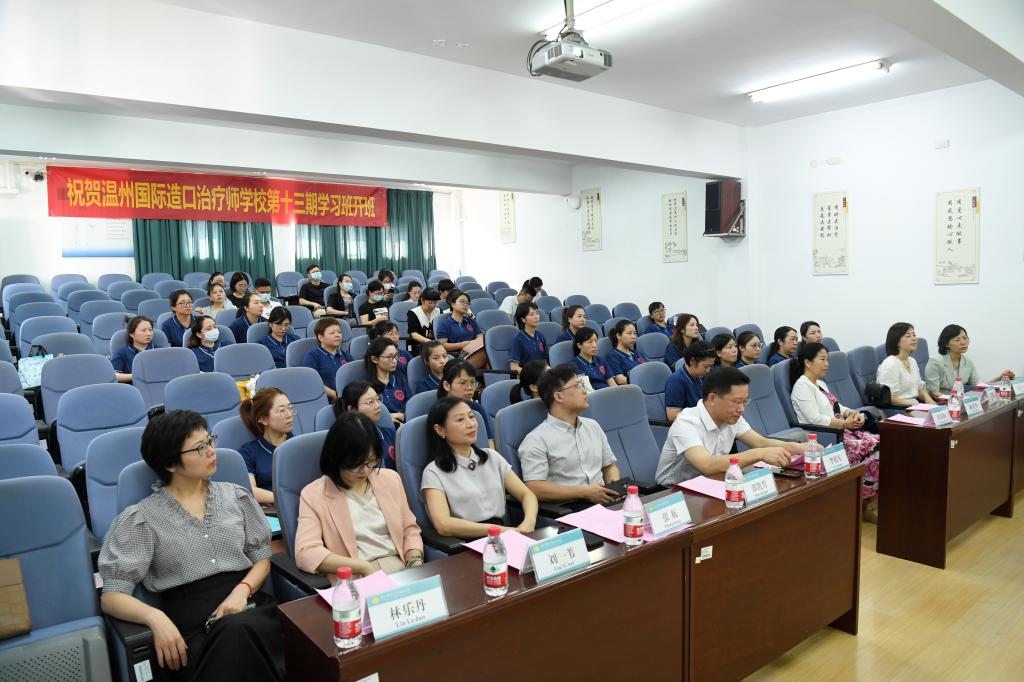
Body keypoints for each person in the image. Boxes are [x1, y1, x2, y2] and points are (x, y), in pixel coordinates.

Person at [98, 411, 283, 682]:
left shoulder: (235, 496)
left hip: (249, 605)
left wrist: (242, 591)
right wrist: (155, 618)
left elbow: (262, 560)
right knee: (234, 637)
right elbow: (112, 597)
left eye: (210, 441)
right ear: (171, 463)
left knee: (239, 629)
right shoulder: (142, 518)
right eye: (199, 448)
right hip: (189, 626)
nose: (211, 451)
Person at [295, 411, 423, 578]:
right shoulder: (314, 494)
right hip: (356, 576)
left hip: (401, 570)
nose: (365, 470)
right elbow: (306, 552)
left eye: (371, 461)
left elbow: (409, 530)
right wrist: (363, 567)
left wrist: (414, 562)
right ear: (336, 458)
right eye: (356, 465)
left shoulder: (390, 479)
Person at [655, 367, 805, 486]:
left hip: (714, 481)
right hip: (673, 490)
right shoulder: (686, 422)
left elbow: (760, 442)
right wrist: (760, 454)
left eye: (745, 401)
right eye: (736, 402)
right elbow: (706, 465)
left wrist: (798, 447)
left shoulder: (731, 416)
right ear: (713, 398)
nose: (742, 409)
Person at [422, 397, 538, 539]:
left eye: (471, 417)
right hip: (466, 542)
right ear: (440, 430)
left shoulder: (491, 456)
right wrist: (499, 530)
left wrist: (528, 523)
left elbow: (527, 495)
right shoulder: (433, 471)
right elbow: (443, 524)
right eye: (460, 420)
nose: (471, 424)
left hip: (504, 535)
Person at [790, 342, 880, 513]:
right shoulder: (802, 386)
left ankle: (872, 500)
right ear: (808, 362)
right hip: (827, 435)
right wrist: (844, 423)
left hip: (843, 430)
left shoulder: (820, 383)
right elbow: (814, 418)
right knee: (873, 449)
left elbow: (837, 407)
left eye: (828, 360)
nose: (827, 364)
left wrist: (852, 413)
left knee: (881, 443)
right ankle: (862, 502)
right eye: (822, 359)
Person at [518, 364, 622, 505]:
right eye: (578, 386)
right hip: (570, 509)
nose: (585, 391)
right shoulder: (536, 440)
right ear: (558, 396)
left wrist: (615, 487)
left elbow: (609, 466)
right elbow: (535, 487)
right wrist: (584, 492)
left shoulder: (593, 426)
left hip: (605, 501)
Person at [925, 324, 1015, 398]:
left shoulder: (967, 361)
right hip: (941, 403)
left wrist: (999, 378)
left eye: (965, 338)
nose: (963, 342)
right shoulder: (935, 362)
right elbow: (934, 393)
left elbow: (979, 385)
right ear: (946, 344)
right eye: (957, 340)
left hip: (960, 401)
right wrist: (954, 400)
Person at [238, 388, 293, 505]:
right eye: (282, 410)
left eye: (290, 408)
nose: (289, 415)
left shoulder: (299, 445)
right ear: (263, 419)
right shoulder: (248, 452)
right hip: (271, 510)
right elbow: (249, 490)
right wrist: (283, 499)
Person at [336, 381, 397, 469]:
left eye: (378, 399)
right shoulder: (347, 444)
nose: (378, 406)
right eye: (370, 402)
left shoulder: (389, 433)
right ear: (352, 409)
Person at [437, 358, 495, 446]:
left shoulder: (477, 408)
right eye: (463, 383)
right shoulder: (439, 413)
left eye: (472, 382)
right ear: (447, 385)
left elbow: (489, 440)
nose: (469, 388)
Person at [877, 322, 935, 407]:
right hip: (898, 409)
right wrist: (914, 406)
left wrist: (930, 401)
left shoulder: (912, 361)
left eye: (914, 335)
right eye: (908, 336)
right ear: (896, 341)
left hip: (914, 406)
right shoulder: (890, 364)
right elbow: (890, 397)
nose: (914, 339)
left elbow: (919, 388)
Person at [302, 317, 354, 402]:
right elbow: (311, 381)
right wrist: (335, 395)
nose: (337, 335)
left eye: (339, 332)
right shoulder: (312, 356)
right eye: (332, 333)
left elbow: (354, 377)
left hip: (348, 398)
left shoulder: (346, 355)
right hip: (326, 400)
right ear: (321, 337)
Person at [665, 341, 717, 421]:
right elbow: (672, 415)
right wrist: (701, 415)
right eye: (706, 366)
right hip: (691, 424)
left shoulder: (703, 375)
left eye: (710, 366)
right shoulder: (676, 381)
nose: (708, 370)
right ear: (692, 361)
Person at [365, 337, 411, 423]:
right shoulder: (367, 387)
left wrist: (403, 416)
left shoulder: (400, 381)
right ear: (374, 359)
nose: (395, 361)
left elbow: (411, 406)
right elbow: (367, 415)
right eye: (390, 357)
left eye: (396, 356)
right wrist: (391, 417)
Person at [435, 289, 483, 360]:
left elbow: (480, 337)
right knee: (487, 355)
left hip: (473, 350)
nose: (465, 305)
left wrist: (472, 344)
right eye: (462, 302)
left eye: (467, 303)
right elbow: (442, 345)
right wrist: (462, 345)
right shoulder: (444, 323)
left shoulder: (470, 321)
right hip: (456, 356)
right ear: (453, 304)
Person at [112, 315, 155, 382]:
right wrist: (137, 376)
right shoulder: (122, 353)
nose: (148, 333)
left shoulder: (158, 350)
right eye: (143, 330)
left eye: (150, 330)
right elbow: (115, 375)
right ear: (131, 334)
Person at [509, 301, 548, 375]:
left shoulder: (541, 336)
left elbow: (545, 362)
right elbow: (514, 367)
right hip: (526, 376)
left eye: (537, 313)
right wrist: (532, 374)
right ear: (523, 319)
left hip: (541, 375)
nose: (536, 317)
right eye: (531, 314)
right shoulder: (518, 339)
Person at [605, 319, 648, 385]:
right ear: (618, 336)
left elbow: (648, 369)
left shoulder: (637, 353)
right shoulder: (613, 356)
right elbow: (620, 380)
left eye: (635, 333)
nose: (633, 337)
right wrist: (642, 381)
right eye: (629, 333)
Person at [407, 287, 441, 357]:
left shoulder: (439, 311)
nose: (432, 305)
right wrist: (428, 341)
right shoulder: (413, 313)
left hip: (436, 343)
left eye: (435, 303)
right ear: (422, 300)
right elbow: (413, 334)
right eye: (430, 303)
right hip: (418, 345)